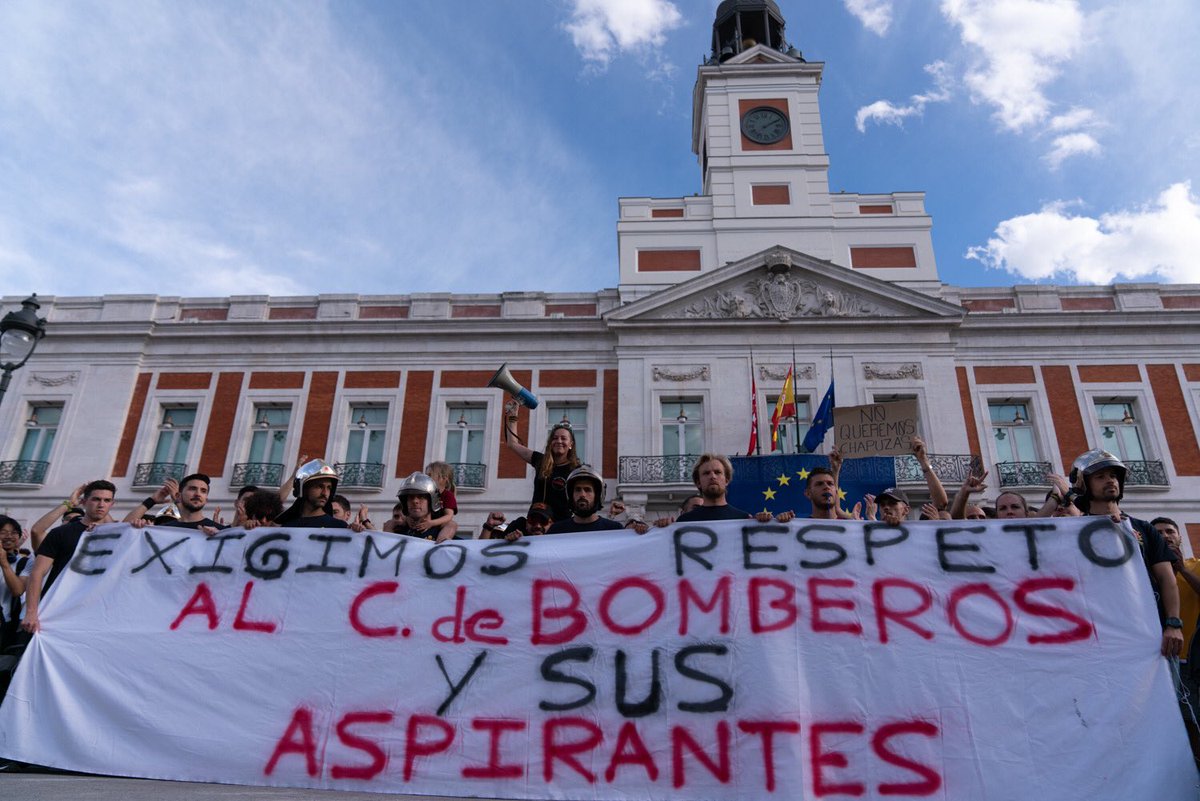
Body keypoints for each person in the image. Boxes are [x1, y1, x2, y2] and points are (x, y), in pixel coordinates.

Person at [1070, 448, 1181, 657]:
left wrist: (1174, 623)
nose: (1110, 481)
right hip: (1098, 635)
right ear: (1084, 485)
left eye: (1113, 475)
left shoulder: (1143, 528)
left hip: (1149, 631)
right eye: (1100, 477)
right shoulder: (1072, 532)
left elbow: (1167, 579)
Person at [22, 480, 117, 634]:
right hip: (55, 609)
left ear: (112, 504)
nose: (101, 504)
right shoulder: (61, 533)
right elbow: (38, 572)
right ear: (84, 502)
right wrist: (31, 612)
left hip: (96, 613)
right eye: (96, 499)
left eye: (107, 500)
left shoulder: (118, 535)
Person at [502, 413, 580, 522]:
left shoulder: (577, 470)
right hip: (536, 524)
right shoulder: (540, 460)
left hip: (561, 526)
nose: (559, 441)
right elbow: (512, 444)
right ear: (550, 443)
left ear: (571, 444)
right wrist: (513, 415)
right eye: (555, 438)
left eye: (563, 438)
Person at [125, 474, 227, 534]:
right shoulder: (162, 529)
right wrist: (151, 500)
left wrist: (219, 537)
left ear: (206, 500)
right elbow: (121, 529)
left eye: (203, 491)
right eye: (192, 489)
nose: (198, 494)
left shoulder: (219, 531)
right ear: (178, 496)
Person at [546, 466, 625, 534]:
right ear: (571, 495)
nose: (582, 495)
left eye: (587, 490)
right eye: (578, 490)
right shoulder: (557, 531)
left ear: (597, 496)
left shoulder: (613, 530)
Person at [676, 454, 752, 522]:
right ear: (698, 483)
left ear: (726, 480)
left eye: (717, 472)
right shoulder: (684, 521)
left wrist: (762, 523)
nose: (712, 476)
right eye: (706, 473)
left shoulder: (744, 519)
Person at [275, 460, 348, 529]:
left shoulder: (339, 527)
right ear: (304, 489)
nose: (325, 493)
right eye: (319, 486)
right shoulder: (288, 527)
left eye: (329, 488)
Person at [393, 472, 454, 541]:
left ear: (432, 501)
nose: (415, 501)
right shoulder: (395, 533)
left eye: (421, 497)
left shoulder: (445, 535)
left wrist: (444, 543)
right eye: (410, 497)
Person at [1, 517, 32, 649]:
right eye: (2, 532)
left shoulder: (25, 562)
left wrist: (3, 562)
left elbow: (18, 590)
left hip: (5, 624)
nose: (9, 536)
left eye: (13, 532)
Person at [422, 461, 459, 532]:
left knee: (451, 524)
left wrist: (432, 523)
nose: (426, 478)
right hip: (424, 523)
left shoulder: (448, 495)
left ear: (443, 479)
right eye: (425, 475)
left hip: (439, 526)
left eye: (429, 475)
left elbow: (449, 516)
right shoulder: (425, 494)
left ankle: (442, 541)